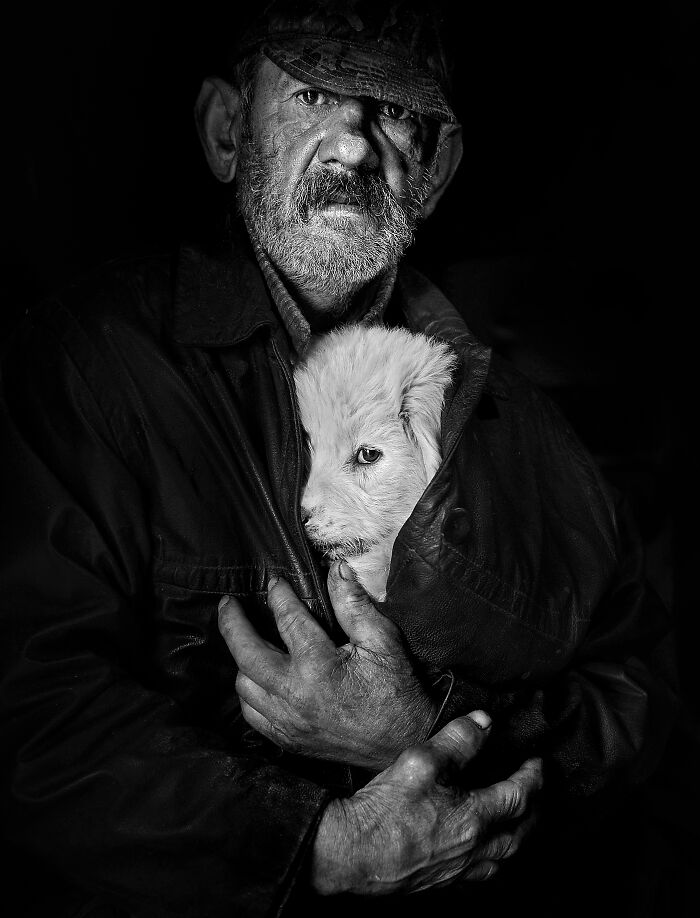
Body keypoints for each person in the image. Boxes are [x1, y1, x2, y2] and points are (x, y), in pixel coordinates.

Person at [0, 2, 677, 916]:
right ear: (229, 130)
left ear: (434, 169)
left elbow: (639, 695)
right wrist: (312, 845)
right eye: (315, 93)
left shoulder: (511, 412)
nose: (355, 147)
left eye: (394, 112)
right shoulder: (90, 366)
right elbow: (32, 715)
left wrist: (424, 727)